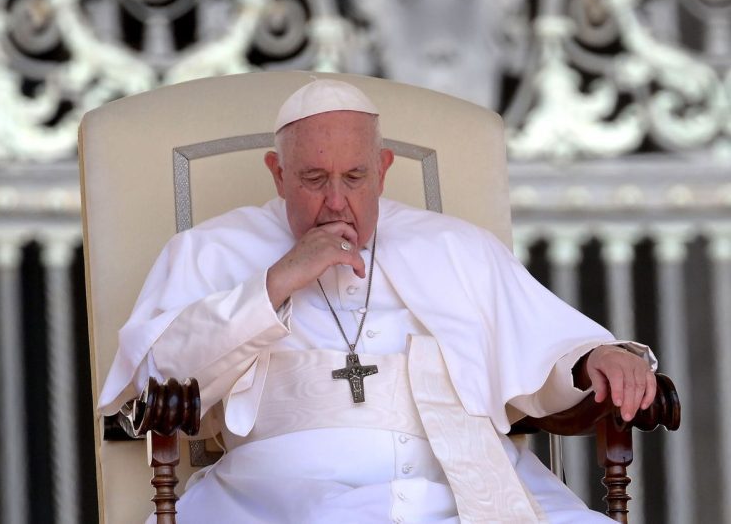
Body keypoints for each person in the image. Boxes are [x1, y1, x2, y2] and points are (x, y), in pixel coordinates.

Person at [98, 79, 657, 523]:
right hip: (281, 496)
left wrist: (596, 357)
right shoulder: (209, 250)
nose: (336, 201)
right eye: (314, 178)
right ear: (278, 174)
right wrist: (274, 283)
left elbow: (547, 344)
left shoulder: (455, 246)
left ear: (383, 170)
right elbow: (157, 376)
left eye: (355, 176)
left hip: (460, 486)